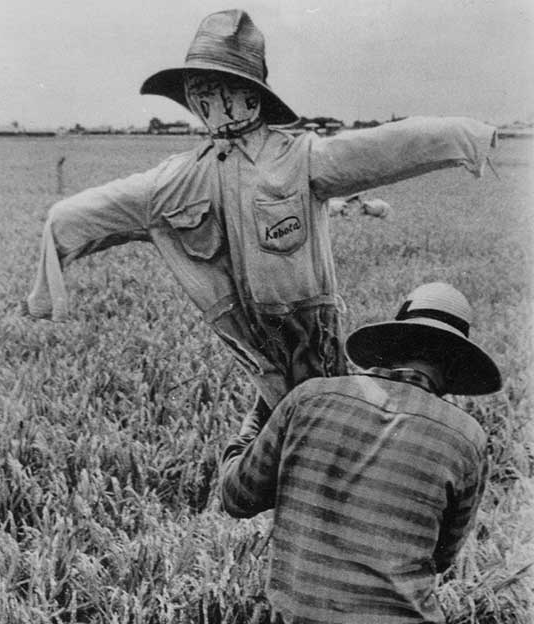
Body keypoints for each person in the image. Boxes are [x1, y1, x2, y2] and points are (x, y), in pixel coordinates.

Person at [25, 9, 497, 411]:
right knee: (279, 448)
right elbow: (77, 216)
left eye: (223, 88)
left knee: (322, 432)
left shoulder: (300, 159)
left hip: (311, 343)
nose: (211, 102)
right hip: (253, 353)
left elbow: (387, 147)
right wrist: (46, 290)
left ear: (251, 95)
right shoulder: (170, 184)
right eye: (199, 91)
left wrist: (468, 136)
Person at [220, 282, 502, 624]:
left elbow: (236, 498)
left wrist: (256, 420)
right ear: (452, 367)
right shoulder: (466, 437)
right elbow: (440, 558)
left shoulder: (307, 399)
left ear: (390, 344)